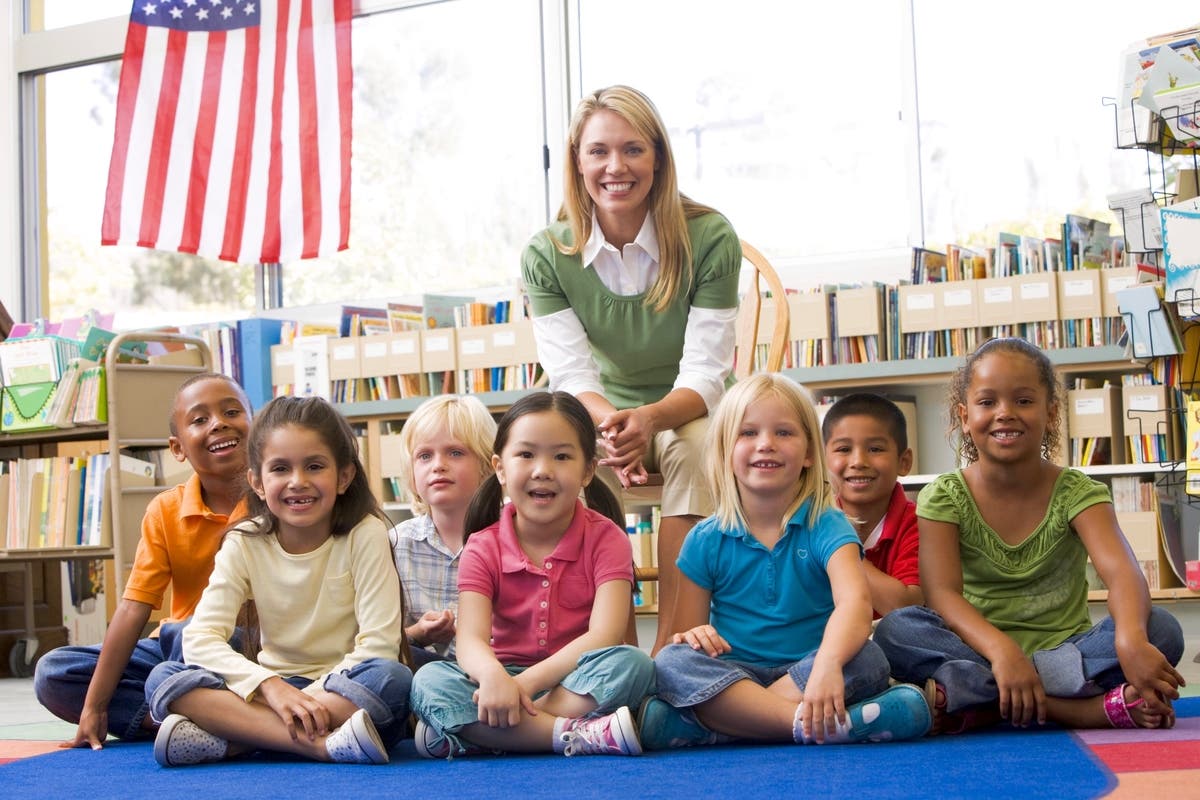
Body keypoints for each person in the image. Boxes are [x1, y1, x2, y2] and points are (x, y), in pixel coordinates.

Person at [521, 85, 741, 654]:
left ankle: (671, 641)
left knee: (692, 452)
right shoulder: (547, 253)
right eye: (598, 151)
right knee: (557, 458)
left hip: (690, 408)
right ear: (577, 161)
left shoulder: (709, 237)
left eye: (633, 149)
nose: (615, 167)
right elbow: (570, 375)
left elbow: (706, 373)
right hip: (600, 412)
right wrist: (614, 426)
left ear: (658, 158)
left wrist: (646, 419)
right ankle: (608, 650)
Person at [874, 337, 1186, 734]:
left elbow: (1123, 574)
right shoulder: (945, 495)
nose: (1005, 414)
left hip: (1067, 654)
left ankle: (983, 703)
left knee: (1159, 630)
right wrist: (1004, 652)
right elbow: (942, 596)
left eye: (1023, 401)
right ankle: (1073, 710)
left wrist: (1128, 641)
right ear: (965, 415)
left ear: (1051, 412)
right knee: (896, 630)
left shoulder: (1078, 492)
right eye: (987, 403)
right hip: (979, 651)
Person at [641, 374, 931, 750]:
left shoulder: (828, 524)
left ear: (810, 453)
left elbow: (855, 606)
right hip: (735, 673)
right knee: (673, 662)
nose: (766, 445)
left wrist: (826, 664)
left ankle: (725, 725)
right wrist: (694, 636)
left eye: (783, 433)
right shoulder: (704, 539)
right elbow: (688, 634)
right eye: (748, 433)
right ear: (725, 451)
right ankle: (816, 724)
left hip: (813, 668)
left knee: (869, 656)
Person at [144, 396, 413, 766]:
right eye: (281, 469)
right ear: (256, 481)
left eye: (315, 466)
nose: (297, 482)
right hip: (270, 689)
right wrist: (272, 688)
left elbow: (379, 646)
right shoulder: (245, 541)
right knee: (164, 678)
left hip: (341, 687)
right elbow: (201, 638)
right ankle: (318, 745)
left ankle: (241, 740)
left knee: (392, 679)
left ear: (344, 477)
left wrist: (304, 701)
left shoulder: (365, 533)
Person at [409, 391, 656, 759]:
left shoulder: (608, 539)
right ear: (500, 468)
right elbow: (471, 640)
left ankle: (492, 733)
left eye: (561, 456)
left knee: (634, 665)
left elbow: (605, 635)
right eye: (526, 455)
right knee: (428, 681)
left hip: (573, 678)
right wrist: (495, 679)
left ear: (588, 469)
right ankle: (572, 735)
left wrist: (520, 687)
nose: (543, 469)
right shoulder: (482, 545)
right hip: (500, 677)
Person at [34, 373, 252, 749]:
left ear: (258, 427)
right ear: (177, 447)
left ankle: (215, 719)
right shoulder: (164, 510)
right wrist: (94, 706)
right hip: (176, 647)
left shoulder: (280, 500)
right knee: (54, 673)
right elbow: (134, 608)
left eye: (232, 411)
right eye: (199, 420)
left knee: (197, 638)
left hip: (247, 647)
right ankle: (199, 722)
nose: (218, 423)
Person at [388, 394, 497, 667]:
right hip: (426, 674)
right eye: (424, 456)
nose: (438, 465)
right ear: (412, 474)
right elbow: (380, 639)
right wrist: (419, 633)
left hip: (501, 668)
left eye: (456, 452)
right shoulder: (397, 544)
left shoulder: (515, 537)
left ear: (487, 466)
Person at [822, 392, 923, 617]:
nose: (858, 462)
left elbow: (906, 608)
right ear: (822, 461)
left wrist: (838, 545)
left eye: (875, 449)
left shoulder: (920, 524)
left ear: (904, 462)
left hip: (897, 643)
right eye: (843, 449)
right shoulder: (811, 522)